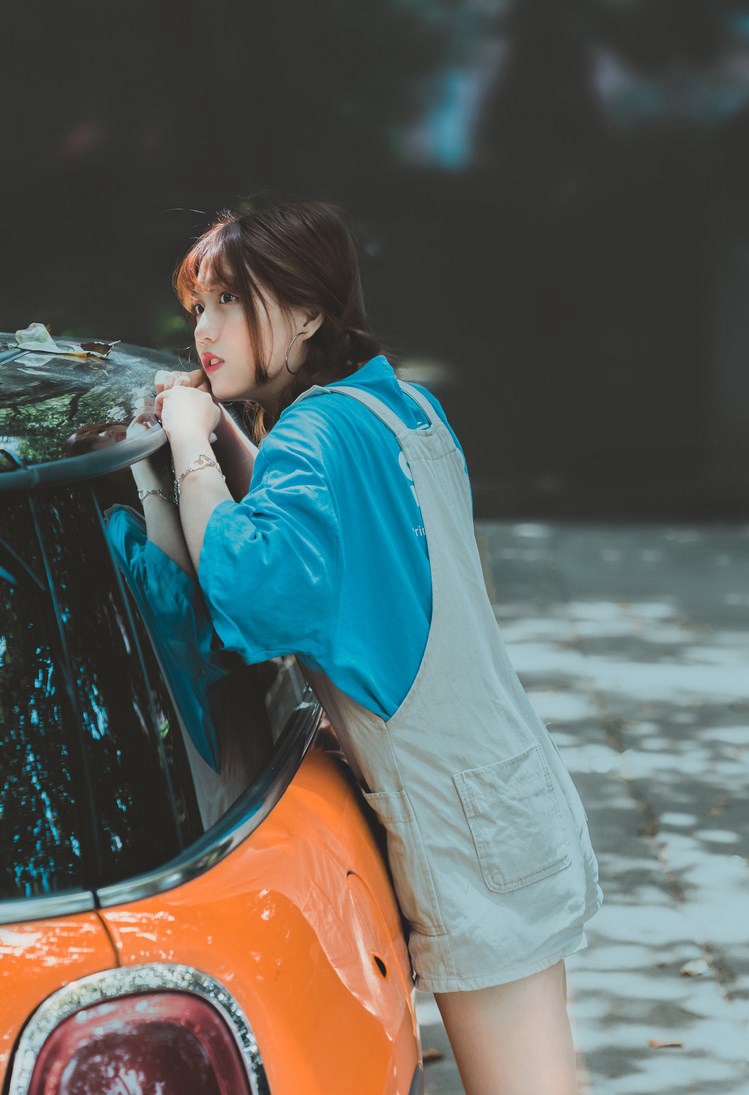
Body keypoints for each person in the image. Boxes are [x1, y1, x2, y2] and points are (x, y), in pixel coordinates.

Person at [153, 198, 603, 1095]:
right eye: (200, 304)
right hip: (505, 792)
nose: (207, 328)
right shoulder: (395, 408)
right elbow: (329, 527)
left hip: (465, 823)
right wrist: (230, 439)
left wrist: (188, 444)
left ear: (309, 312)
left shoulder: (317, 437)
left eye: (233, 302)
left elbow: (249, 581)